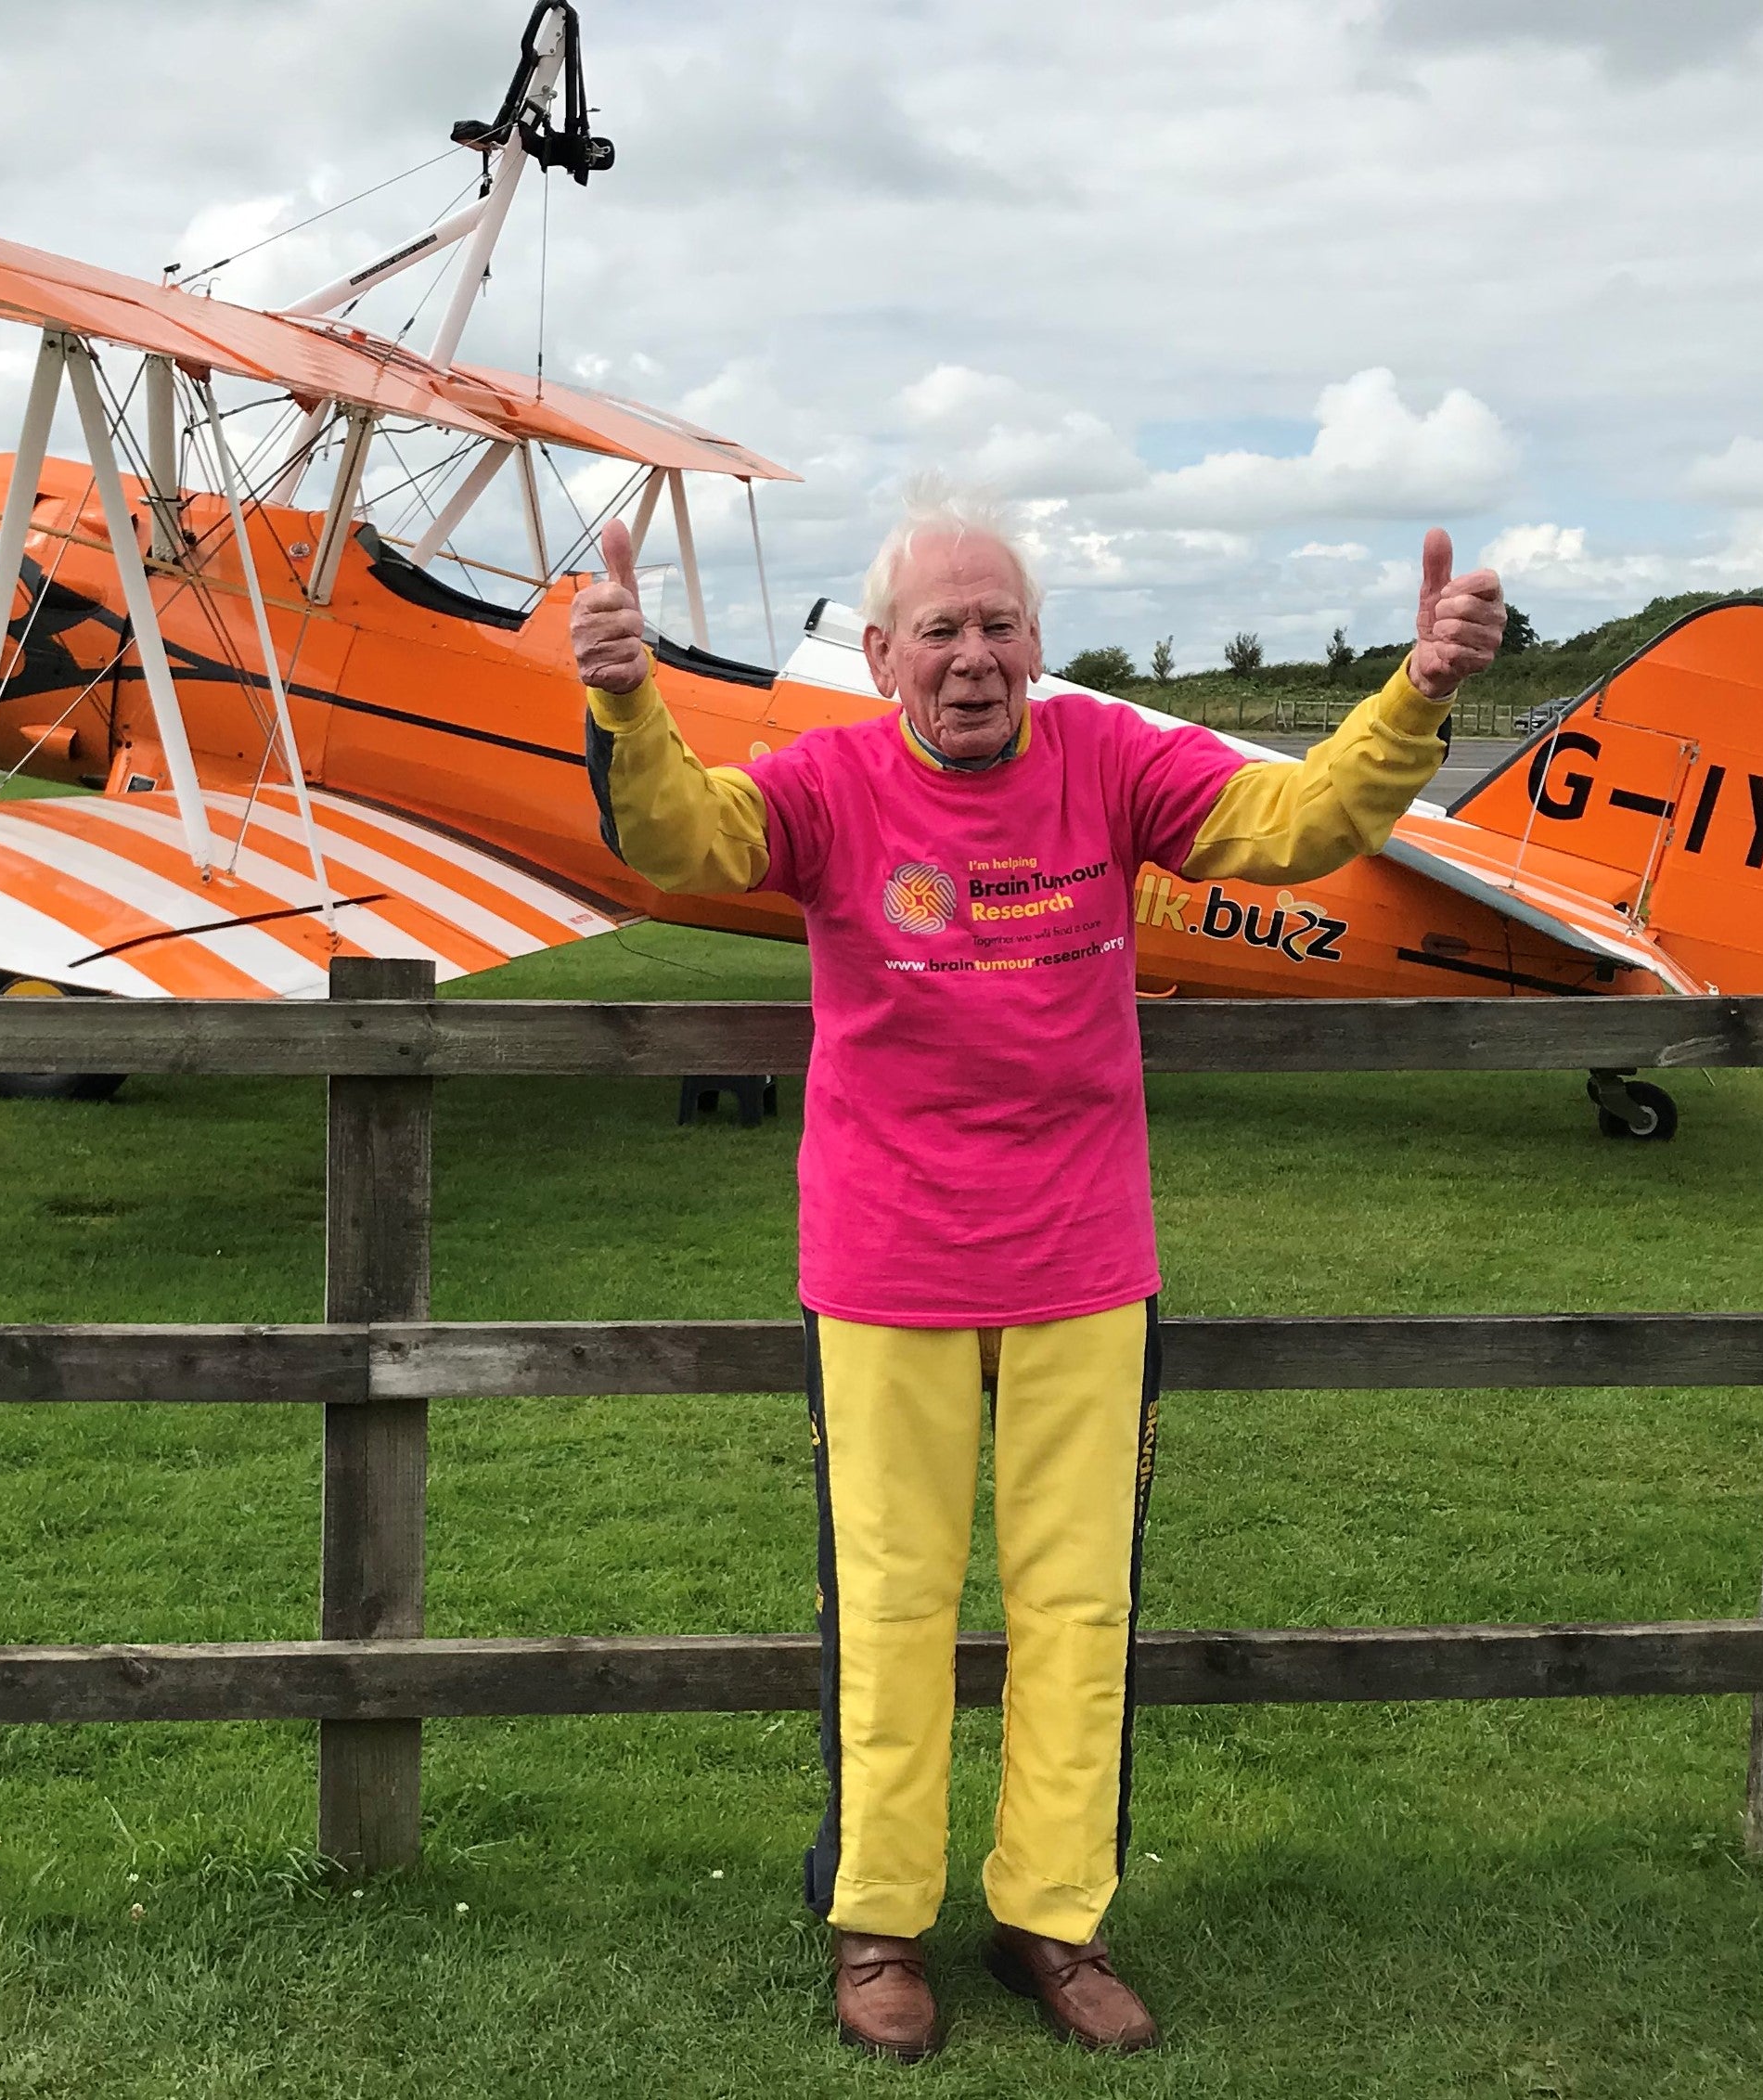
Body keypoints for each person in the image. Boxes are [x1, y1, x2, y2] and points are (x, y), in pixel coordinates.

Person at [572, 487, 1505, 2063]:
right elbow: (686, 841)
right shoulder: (826, 781)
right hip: (884, 1264)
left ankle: (1049, 1922)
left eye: (997, 624)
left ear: (1038, 645)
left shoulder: (1109, 761)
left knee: (1078, 1607)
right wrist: (622, 699)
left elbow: (1290, 831)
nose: (971, 657)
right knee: (892, 1603)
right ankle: (876, 1925)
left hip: (1084, 1258)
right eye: (937, 630)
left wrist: (1415, 695)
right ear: (877, 656)